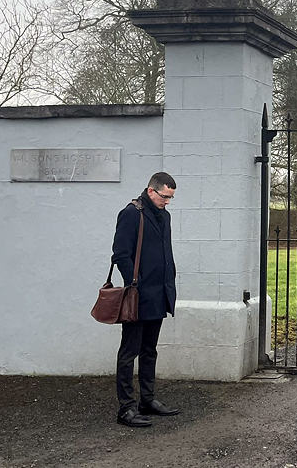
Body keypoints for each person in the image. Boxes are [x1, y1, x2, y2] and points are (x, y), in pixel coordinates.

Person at [111, 172, 181, 427]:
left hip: (159, 293)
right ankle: (126, 408)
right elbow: (120, 254)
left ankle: (147, 400)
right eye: (165, 196)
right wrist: (134, 283)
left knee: (150, 350)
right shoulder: (131, 213)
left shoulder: (165, 216)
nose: (168, 201)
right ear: (150, 191)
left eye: (171, 197)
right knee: (129, 352)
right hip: (138, 296)